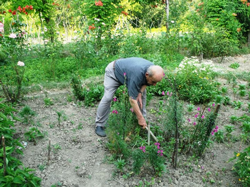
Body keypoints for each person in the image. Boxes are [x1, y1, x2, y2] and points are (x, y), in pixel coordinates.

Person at [95, 57, 164, 137]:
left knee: (141, 96)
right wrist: (139, 118)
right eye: (153, 82)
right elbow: (132, 100)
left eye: (156, 82)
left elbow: (146, 82)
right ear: (147, 75)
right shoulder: (137, 75)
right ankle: (99, 125)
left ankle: (143, 125)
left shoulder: (151, 68)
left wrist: (140, 92)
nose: (154, 85)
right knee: (108, 97)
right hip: (114, 73)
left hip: (129, 74)